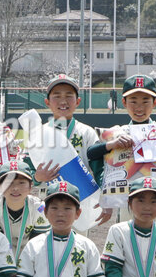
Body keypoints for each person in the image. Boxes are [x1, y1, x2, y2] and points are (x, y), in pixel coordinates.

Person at [86, 74, 156, 231]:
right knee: (126, 241)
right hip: (128, 201)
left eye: (145, 101)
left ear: (155, 102)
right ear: (124, 103)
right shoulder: (118, 133)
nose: (139, 107)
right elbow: (91, 153)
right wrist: (111, 144)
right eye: (133, 101)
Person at [30, 73, 111, 232]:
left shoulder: (86, 132)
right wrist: (37, 177)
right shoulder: (38, 135)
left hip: (80, 203)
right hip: (47, 204)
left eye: (69, 96)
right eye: (57, 96)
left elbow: (99, 169)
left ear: (78, 101)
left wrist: (106, 198)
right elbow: (28, 172)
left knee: (78, 245)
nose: (63, 101)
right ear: (47, 102)